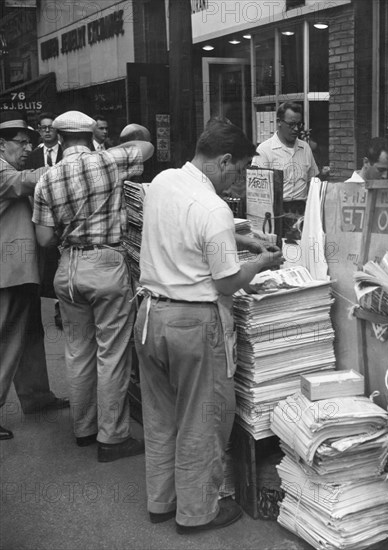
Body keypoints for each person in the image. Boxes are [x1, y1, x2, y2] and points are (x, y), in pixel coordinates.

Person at [133, 120, 284, 533]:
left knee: (162, 415)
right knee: (203, 418)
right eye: (236, 170)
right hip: (193, 324)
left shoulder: (162, 181)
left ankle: (161, 502)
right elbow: (226, 281)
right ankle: (198, 513)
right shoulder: (215, 209)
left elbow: (184, 237)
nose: (235, 180)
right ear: (222, 160)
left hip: (149, 315)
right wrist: (260, 261)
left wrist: (243, 241)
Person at [32, 111, 154, 461]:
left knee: (78, 350)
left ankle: (83, 429)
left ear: (59, 137)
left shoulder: (47, 178)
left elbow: (42, 238)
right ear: (89, 137)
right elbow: (145, 146)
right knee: (112, 353)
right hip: (105, 264)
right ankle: (112, 438)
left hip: (67, 268)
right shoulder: (109, 161)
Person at [0, 113, 69, 441]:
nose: (28, 147)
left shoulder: (9, 167)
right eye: (21, 142)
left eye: (29, 142)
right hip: (7, 272)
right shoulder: (3, 170)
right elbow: (29, 181)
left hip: (21, 269)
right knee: (6, 341)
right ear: (2, 144)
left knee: (29, 336)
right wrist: (75, 163)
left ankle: (37, 396)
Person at [252, 102, 319, 240]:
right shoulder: (264, 150)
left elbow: (313, 181)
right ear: (279, 122)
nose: (296, 129)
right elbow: (257, 193)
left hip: (302, 212)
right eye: (291, 124)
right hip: (277, 214)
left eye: (299, 125)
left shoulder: (305, 148)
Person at [25, 112, 63, 327]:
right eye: (43, 128)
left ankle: (62, 305)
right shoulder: (32, 157)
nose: (47, 131)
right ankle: (52, 298)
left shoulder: (66, 154)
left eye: (51, 127)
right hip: (41, 216)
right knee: (48, 262)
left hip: (63, 216)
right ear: (39, 131)